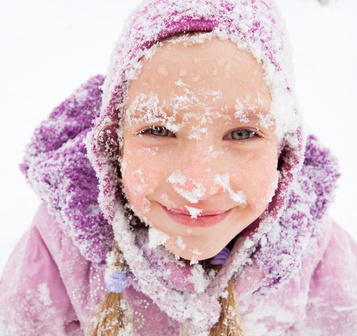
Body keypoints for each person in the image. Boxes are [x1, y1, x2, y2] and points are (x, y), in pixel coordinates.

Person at [1, 0, 356, 335]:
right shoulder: (59, 248)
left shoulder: (318, 257)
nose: (197, 186)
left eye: (242, 133)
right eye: (158, 130)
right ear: (115, 143)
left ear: (284, 151)